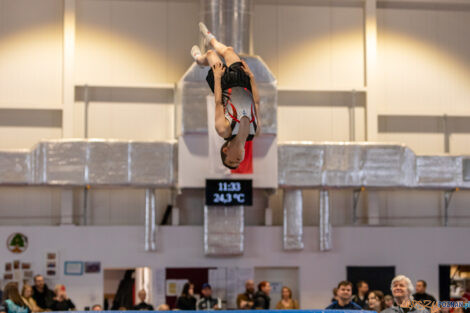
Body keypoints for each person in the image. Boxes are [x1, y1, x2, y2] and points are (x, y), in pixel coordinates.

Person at [191, 22, 261, 170]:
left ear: (225, 150)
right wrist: (252, 77)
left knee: (210, 55)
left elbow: (218, 103)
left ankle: (198, 59)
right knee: (228, 50)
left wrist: (217, 77)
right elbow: (257, 103)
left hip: (223, 85)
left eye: (231, 162)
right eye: (237, 163)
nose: (237, 161)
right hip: (243, 83)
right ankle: (212, 40)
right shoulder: (255, 132)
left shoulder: (224, 130)